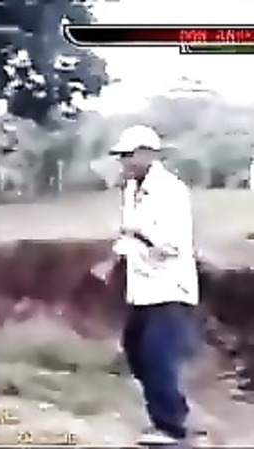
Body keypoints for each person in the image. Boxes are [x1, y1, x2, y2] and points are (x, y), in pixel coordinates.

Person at [91, 125, 199, 445]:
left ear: (146, 154)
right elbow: (127, 235)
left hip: (169, 287)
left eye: (127, 155)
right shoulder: (131, 189)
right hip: (141, 289)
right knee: (135, 352)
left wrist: (138, 235)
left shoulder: (171, 191)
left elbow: (170, 245)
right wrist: (111, 262)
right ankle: (175, 409)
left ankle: (170, 428)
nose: (123, 161)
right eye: (121, 156)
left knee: (157, 355)